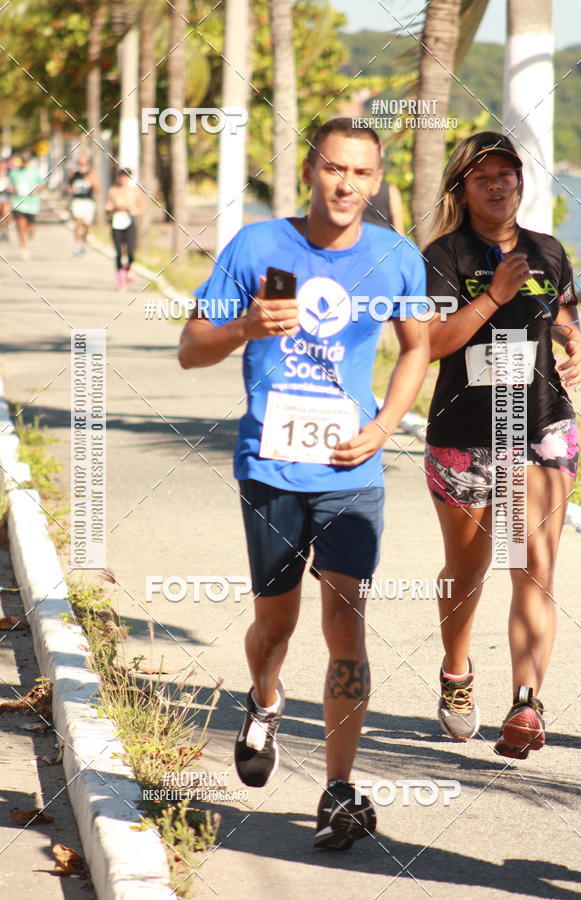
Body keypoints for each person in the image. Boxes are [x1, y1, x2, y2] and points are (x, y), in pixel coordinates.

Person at [179, 118, 429, 849]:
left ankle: (340, 789)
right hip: (271, 465)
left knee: (345, 618)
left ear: (377, 182)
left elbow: (417, 349)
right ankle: (263, 699)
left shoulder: (397, 258)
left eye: (361, 173)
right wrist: (244, 328)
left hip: (353, 468)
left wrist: (383, 427)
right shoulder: (257, 246)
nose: (346, 185)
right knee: (276, 624)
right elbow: (192, 349)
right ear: (311, 172)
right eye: (333, 170)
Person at [422, 132, 581, 758]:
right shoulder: (444, 256)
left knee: (534, 567)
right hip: (467, 436)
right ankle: (457, 674)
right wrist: (493, 294)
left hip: (539, 429)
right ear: (461, 189)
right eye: (483, 176)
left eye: (508, 174)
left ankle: (526, 704)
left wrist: (578, 346)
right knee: (468, 571)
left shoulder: (548, 251)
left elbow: (564, 314)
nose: (499, 185)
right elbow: (431, 345)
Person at [105, 168, 145, 291]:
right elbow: (108, 205)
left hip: (129, 221)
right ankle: (120, 278)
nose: (123, 178)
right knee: (118, 251)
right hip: (117, 221)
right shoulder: (113, 191)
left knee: (131, 250)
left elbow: (141, 208)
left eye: (125, 176)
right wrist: (109, 208)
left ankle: (129, 268)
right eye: (121, 176)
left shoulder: (135, 192)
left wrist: (134, 211)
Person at [8, 151, 45, 259]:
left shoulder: (35, 172)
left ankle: (31, 231)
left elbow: (42, 185)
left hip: (32, 203)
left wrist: (36, 190)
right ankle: (24, 248)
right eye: (22, 161)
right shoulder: (13, 173)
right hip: (18, 202)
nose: (24, 163)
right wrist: (11, 188)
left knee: (30, 228)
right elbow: (10, 184)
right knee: (20, 225)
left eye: (25, 161)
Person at [68, 154, 99, 255]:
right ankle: (77, 244)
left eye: (84, 163)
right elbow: (69, 188)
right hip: (77, 201)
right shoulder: (73, 175)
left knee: (86, 225)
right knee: (78, 221)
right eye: (80, 163)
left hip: (88, 202)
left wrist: (91, 183)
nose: (82, 166)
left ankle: (83, 241)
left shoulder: (92, 176)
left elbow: (97, 189)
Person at [0, 159, 11, 241]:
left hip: (6, 197)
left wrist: (9, 188)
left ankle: (5, 230)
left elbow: (13, 187)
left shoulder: (9, 175)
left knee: (6, 214)